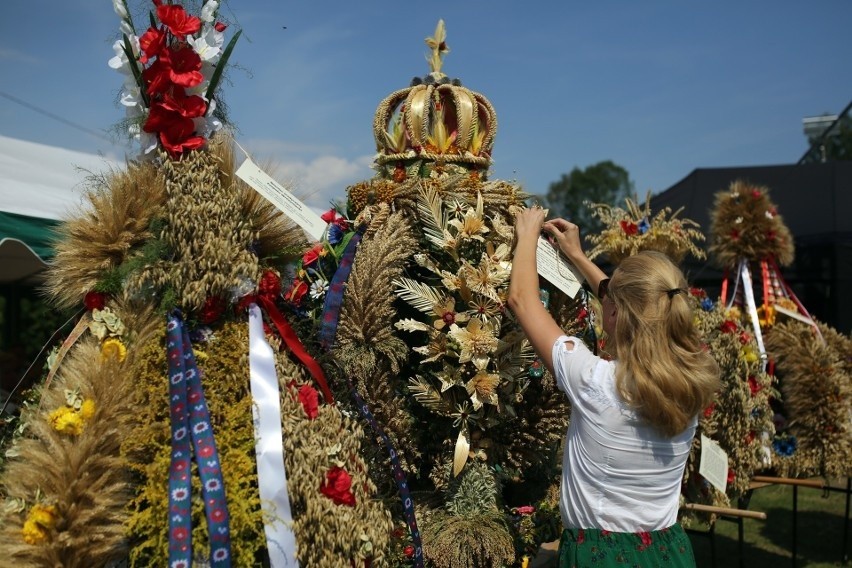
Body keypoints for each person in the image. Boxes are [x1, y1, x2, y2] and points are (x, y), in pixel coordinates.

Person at [508, 207, 720, 567]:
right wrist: (577, 256)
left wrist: (527, 234)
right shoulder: (691, 380)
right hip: (669, 551)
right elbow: (642, 303)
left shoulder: (595, 382)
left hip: (602, 556)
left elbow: (522, 301)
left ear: (617, 313)